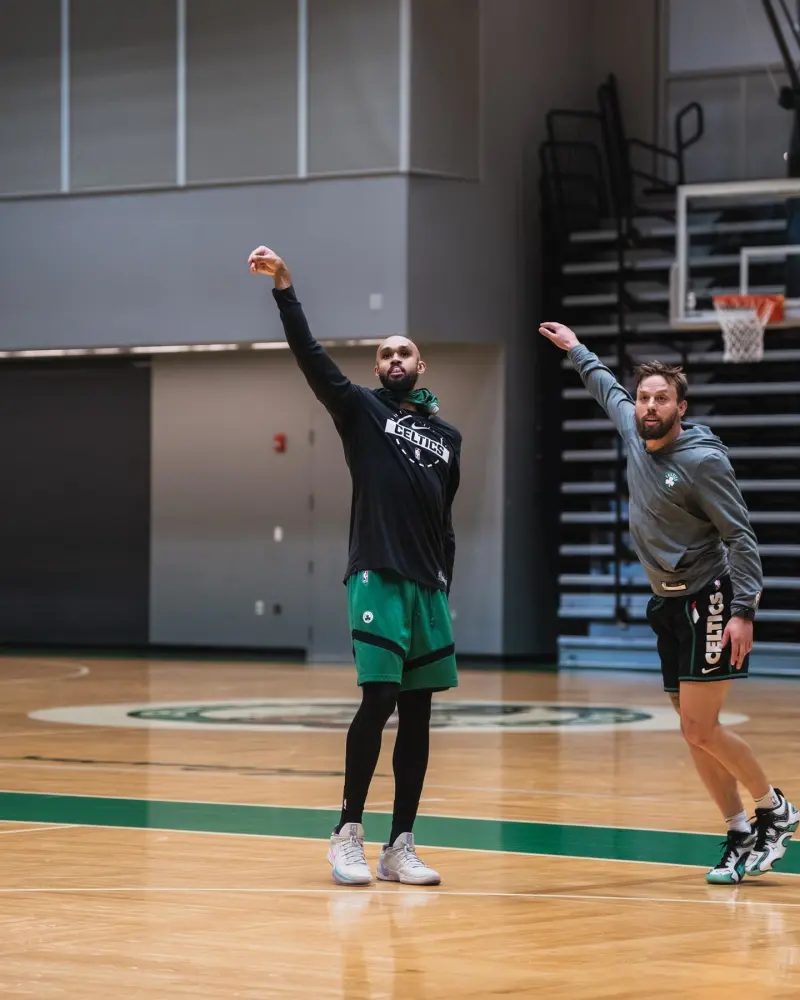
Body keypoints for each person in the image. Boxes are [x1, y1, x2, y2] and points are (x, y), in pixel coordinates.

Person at [538, 321, 798, 885]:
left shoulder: (703, 460)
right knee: (692, 731)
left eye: (662, 399)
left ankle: (775, 810)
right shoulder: (634, 430)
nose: (649, 406)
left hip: (711, 597)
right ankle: (736, 832)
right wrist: (576, 348)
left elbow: (742, 537)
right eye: (645, 398)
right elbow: (605, 387)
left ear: (682, 405)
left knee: (701, 730)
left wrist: (744, 609)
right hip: (666, 603)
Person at [249, 245, 461, 887]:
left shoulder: (448, 437)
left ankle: (401, 844)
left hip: (429, 586)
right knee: (381, 698)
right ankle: (346, 833)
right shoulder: (361, 410)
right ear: (378, 368)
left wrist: (447, 581)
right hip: (377, 572)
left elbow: (443, 516)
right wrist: (285, 289)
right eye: (385, 354)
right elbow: (311, 360)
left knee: (420, 712)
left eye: (405, 353)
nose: (396, 360)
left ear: (420, 364)